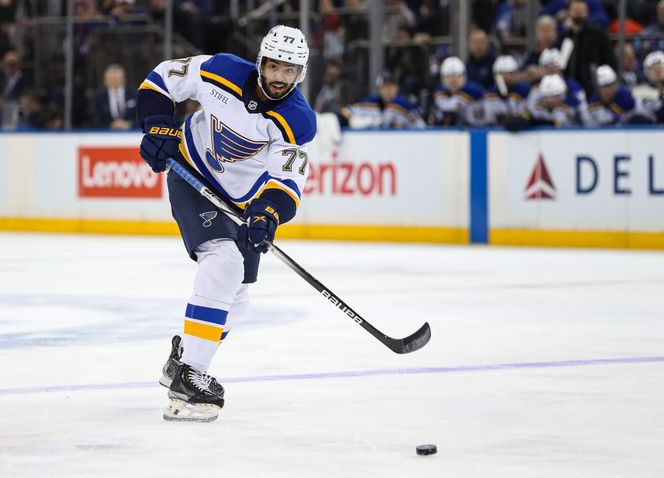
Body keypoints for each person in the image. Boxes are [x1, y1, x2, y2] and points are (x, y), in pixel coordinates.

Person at [136, 25, 316, 422]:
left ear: (299, 74)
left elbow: (286, 180)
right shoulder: (221, 70)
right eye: (273, 66)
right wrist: (157, 124)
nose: (279, 78)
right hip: (191, 174)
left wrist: (268, 211)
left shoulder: (297, 120)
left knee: (238, 296)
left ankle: (182, 358)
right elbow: (162, 78)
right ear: (260, 62)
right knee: (224, 262)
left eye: (289, 71)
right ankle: (190, 378)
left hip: (240, 202)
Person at [560, 0, 617, 97]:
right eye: (575, 10)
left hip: (594, 90)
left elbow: (611, 62)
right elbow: (561, 65)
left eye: (581, 11)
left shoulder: (599, 35)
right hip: (569, 90)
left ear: (587, 13)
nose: (578, 14)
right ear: (569, 12)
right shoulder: (565, 37)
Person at [338, 71, 425, 129]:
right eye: (384, 87)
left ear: (397, 88)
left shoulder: (404, 104)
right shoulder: (370, 103)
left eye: (391, 86)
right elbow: (345, 112)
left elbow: (422, 127)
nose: (388, 90)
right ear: (379, 89)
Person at [432, 56, 486, 126]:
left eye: (457, 75)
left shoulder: (475, 92)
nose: (453, 80)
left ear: (464, 76)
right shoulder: (438, 94)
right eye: (448, 76)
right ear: (442, 78)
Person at [483, 55, 531, 126]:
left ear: (516, 74)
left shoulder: (525, 90)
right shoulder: (490, 94)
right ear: (495, 76)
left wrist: (523, 119)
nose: (507, 77)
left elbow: (530, 113)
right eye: (502, 74)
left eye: (510, 73)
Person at [93, 64, 137, 129]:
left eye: (117, 78)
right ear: (105, 80)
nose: (114, 81)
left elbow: (143, 117)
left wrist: (129, 124)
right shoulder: (99, 98)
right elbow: (95, 120)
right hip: (106, 135)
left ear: (123, 79)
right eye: (111, 79)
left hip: (132, 134)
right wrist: (111, 125)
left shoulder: (134, 94)